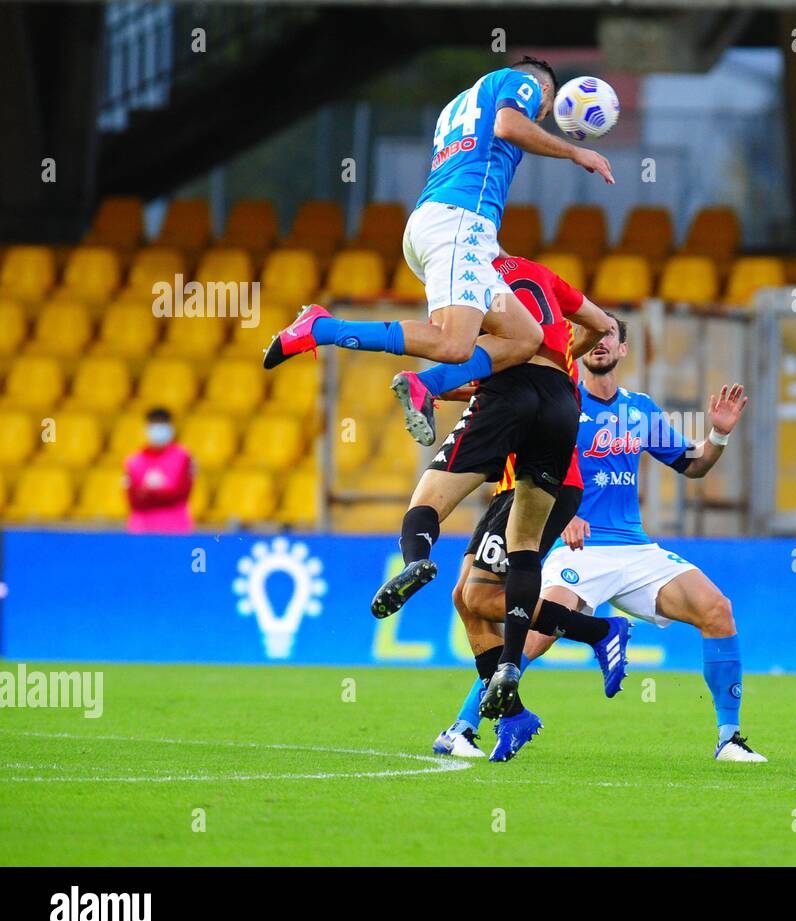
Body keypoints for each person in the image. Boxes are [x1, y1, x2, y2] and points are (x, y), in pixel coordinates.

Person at [436, 319, 767, 763]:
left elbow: (693, 466)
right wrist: (560, 514)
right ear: (578, 347)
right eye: (593, 336)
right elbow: (525, 462)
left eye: (610, 335)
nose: (601, 343)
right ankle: (461, 727)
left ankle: (729, 738)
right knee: (532, 636)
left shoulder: (641, 410)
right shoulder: (557, 399)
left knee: (717, 610)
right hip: (572, 546)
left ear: (623, 350)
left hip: (634, 548)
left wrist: (718, 435)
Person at [376, 255, 630, 762]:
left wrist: (437, 383)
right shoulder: (539, 284)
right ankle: (511, 714)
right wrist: (563, 361)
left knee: (486, 597)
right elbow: (590, 326)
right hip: (520, 467)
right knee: (465, 598)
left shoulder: (468, 282)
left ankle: (598, 631)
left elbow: (469, 353)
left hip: (533, 472)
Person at [262, 56, 615, 416]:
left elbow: (470, 167)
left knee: (524, 337)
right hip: (458, 226)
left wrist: (491, 249)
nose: (538, 118)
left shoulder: (455, 107)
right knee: (453, 344)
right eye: (541, 112)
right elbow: (509, 127)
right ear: (542, 89)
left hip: (445, 226)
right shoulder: (519, 82)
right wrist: (574, 151)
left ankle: (426, 385)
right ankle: (322, 328)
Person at [124, 408, 194, 534]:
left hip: (175, 529)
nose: (157, 430)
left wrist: (147, 492)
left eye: (162, 424)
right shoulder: (133, 461)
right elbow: (134, 500)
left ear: (171, 427)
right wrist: (163, 492)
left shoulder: (183, 457)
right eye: (154, 425)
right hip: (141, 529)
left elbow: (181, 493)